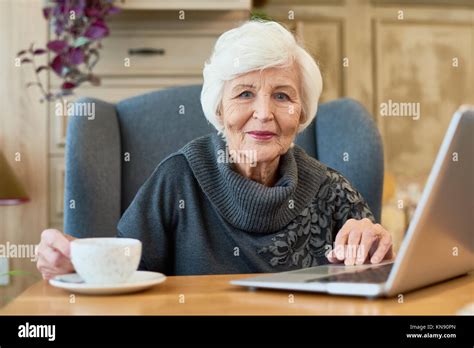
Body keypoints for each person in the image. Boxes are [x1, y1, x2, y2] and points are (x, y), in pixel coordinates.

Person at [37, 20, 393, 279]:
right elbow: (122, 272)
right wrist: (74, 262)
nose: (264, 113)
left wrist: (379, 255)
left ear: (301, 113)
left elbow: (376, 282)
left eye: (282, 95)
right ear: (219, 110)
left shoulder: (331, 190)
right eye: (245, 94)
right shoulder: (178, 179)